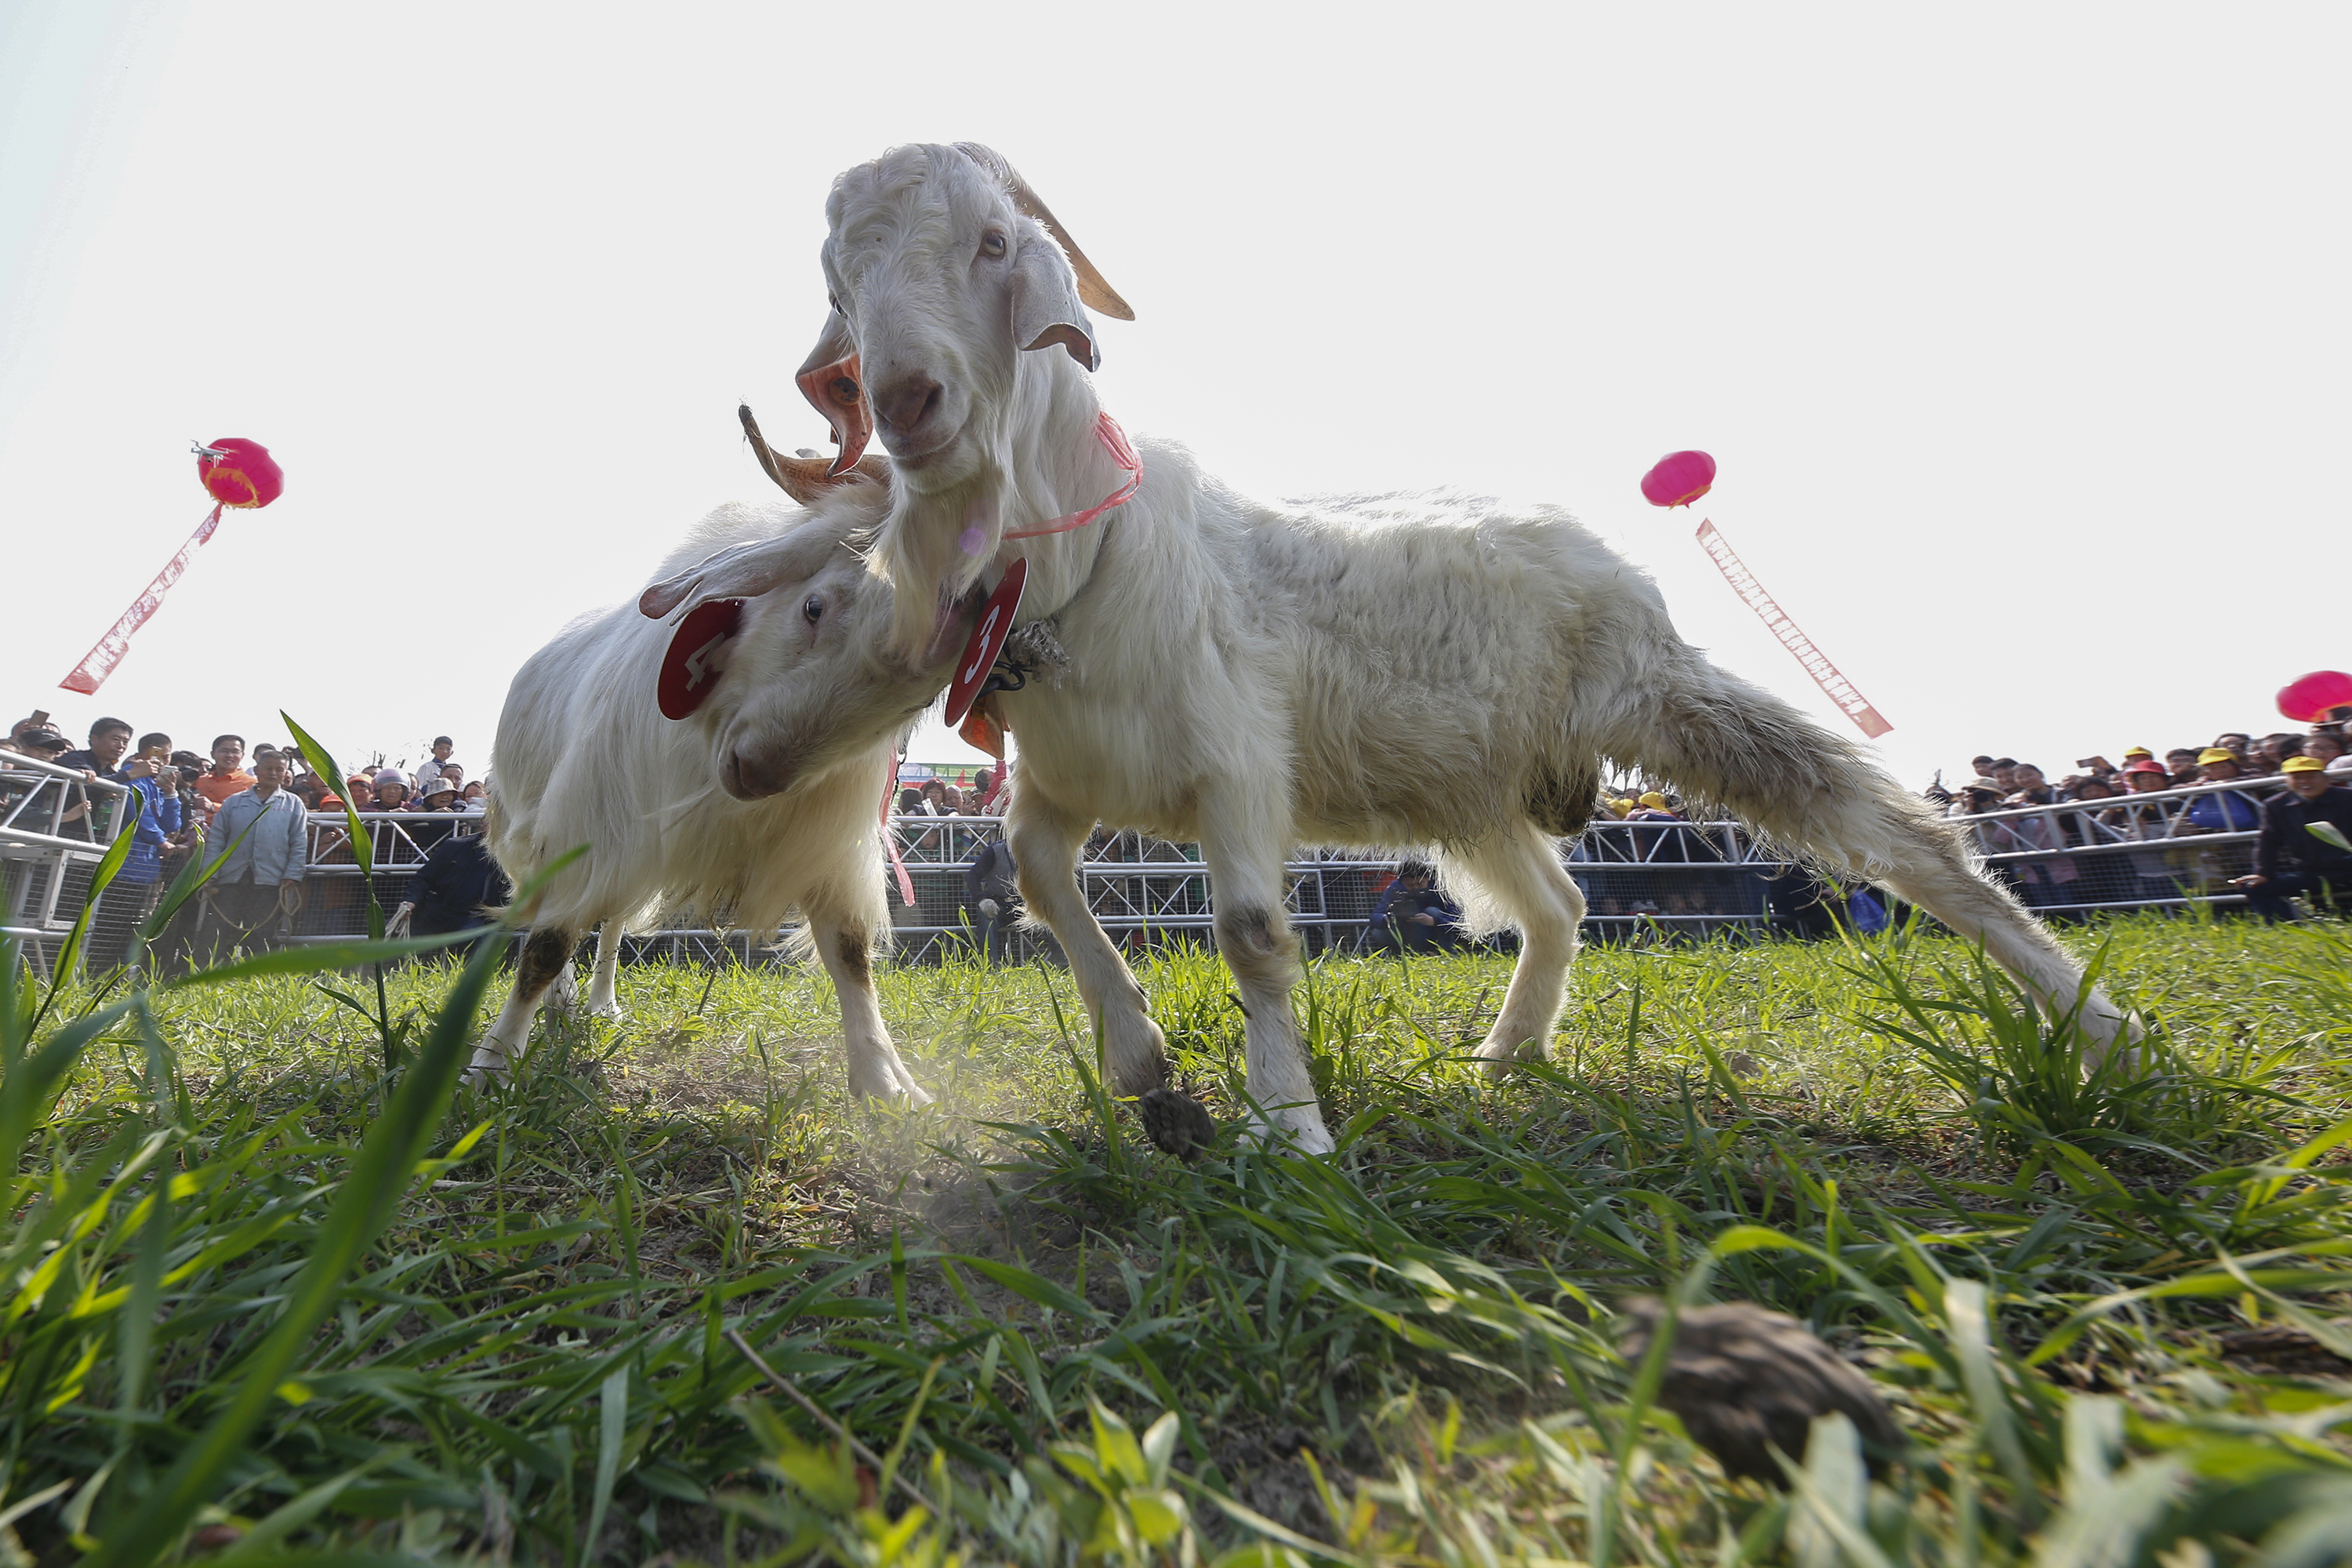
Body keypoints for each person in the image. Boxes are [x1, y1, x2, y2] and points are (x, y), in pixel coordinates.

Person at [84, 731, 187, 971]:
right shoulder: (133, 778)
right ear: (142, 754)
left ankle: (114, 978)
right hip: (121, 866)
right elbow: (139, 815)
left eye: (166, 756)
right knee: (108, 926)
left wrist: (171, 793)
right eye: (155, 755)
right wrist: (162, 842)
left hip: (146, 870)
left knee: (128, 928)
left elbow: (172, 825)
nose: (161, 761)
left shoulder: (159, 785)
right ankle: (94, 975)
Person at [2232, 757, 2352, 920]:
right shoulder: (2276, 805)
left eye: (2311, 777)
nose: (2305, 782)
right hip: (2312, 873)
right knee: (2255, 888)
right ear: (2287, 781)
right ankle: (2293, 926)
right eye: (2297, 777)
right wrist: (2262, 873)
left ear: (2327, 779)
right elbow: (2268, 841)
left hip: (2348, 868)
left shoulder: (2347, 798)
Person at [387, 828, 511, 948]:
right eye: (489, 820)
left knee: (473, 938)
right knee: (389, 929)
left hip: (478, 918)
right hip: (439, 911)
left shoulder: (512, 852)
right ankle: (384, 968)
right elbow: (424, 878)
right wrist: (410, 901)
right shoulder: (454, 845)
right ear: (482, 822)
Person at [1368, 861, 1465, 953]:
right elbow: (1376, 916)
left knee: (1433, 911)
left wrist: (1435, 921)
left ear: (1428, 878)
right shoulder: (1394, 888)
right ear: (1401, 882)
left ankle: (1447, 953)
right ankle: (1399, 955)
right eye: (1410, 885)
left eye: (1419, 883)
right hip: (1406, 930)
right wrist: (1387, 919)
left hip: (1437, 931)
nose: (1416, 888)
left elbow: (1458, 918)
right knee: (1378, 933)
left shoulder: (1443, 887)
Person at [964, 823, 1020, 962]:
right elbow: (973, 876)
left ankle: (1060, 963)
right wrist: (982, 899)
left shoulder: (1037, 850)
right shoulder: (995, 850)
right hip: (999, 904)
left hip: (1027, 905)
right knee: (986, 916)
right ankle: (990, 965)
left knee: (1052, 915)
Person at [2177, 747, 2261, 834]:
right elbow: (2177, 789)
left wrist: (2229, 782)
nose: (2220, 771)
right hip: (2218, 829)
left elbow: (2260, 777)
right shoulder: (2205, 781)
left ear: (2235, 765)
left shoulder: (2250, 773)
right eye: (2212, 768)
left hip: (2256, 824)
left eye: (2224, 766)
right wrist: (2199, 785)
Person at [191, 735, 255, 813]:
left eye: (235, 752)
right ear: (213, 754)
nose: (229, 755)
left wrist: (214, 807)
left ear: (242, 755)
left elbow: (251, 813)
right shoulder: (199, 781)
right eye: (224, 751)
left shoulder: (252, 784)